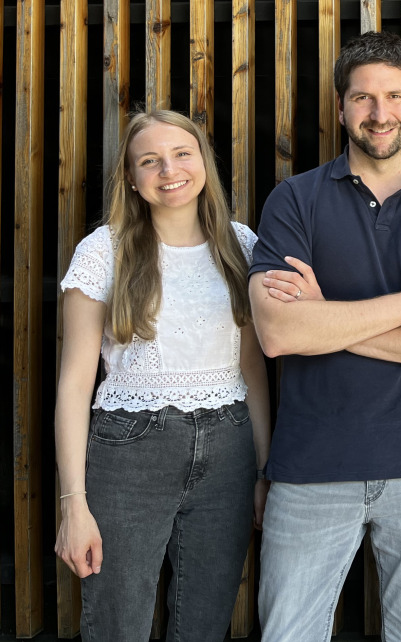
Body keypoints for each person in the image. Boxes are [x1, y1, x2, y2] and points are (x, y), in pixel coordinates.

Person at [248, 30, 401, 642]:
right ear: (340, 107)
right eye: (362, 98)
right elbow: (278, 333)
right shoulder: (293, 200)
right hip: (310, 469)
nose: (379, 113)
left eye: (393, 96)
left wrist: (325, 319)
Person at [53, 109, 270, 641]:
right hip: (131, 452)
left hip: (230, 448)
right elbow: (75, 384)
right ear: (131, 178)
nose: (169, 170)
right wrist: (73, 503)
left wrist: (265, 470)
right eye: (149, 161)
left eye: (181, 154)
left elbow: (252, 368)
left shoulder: (241, 245)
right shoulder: (103, 251)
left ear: (203, 163)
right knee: (118, 621)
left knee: (205, 622)